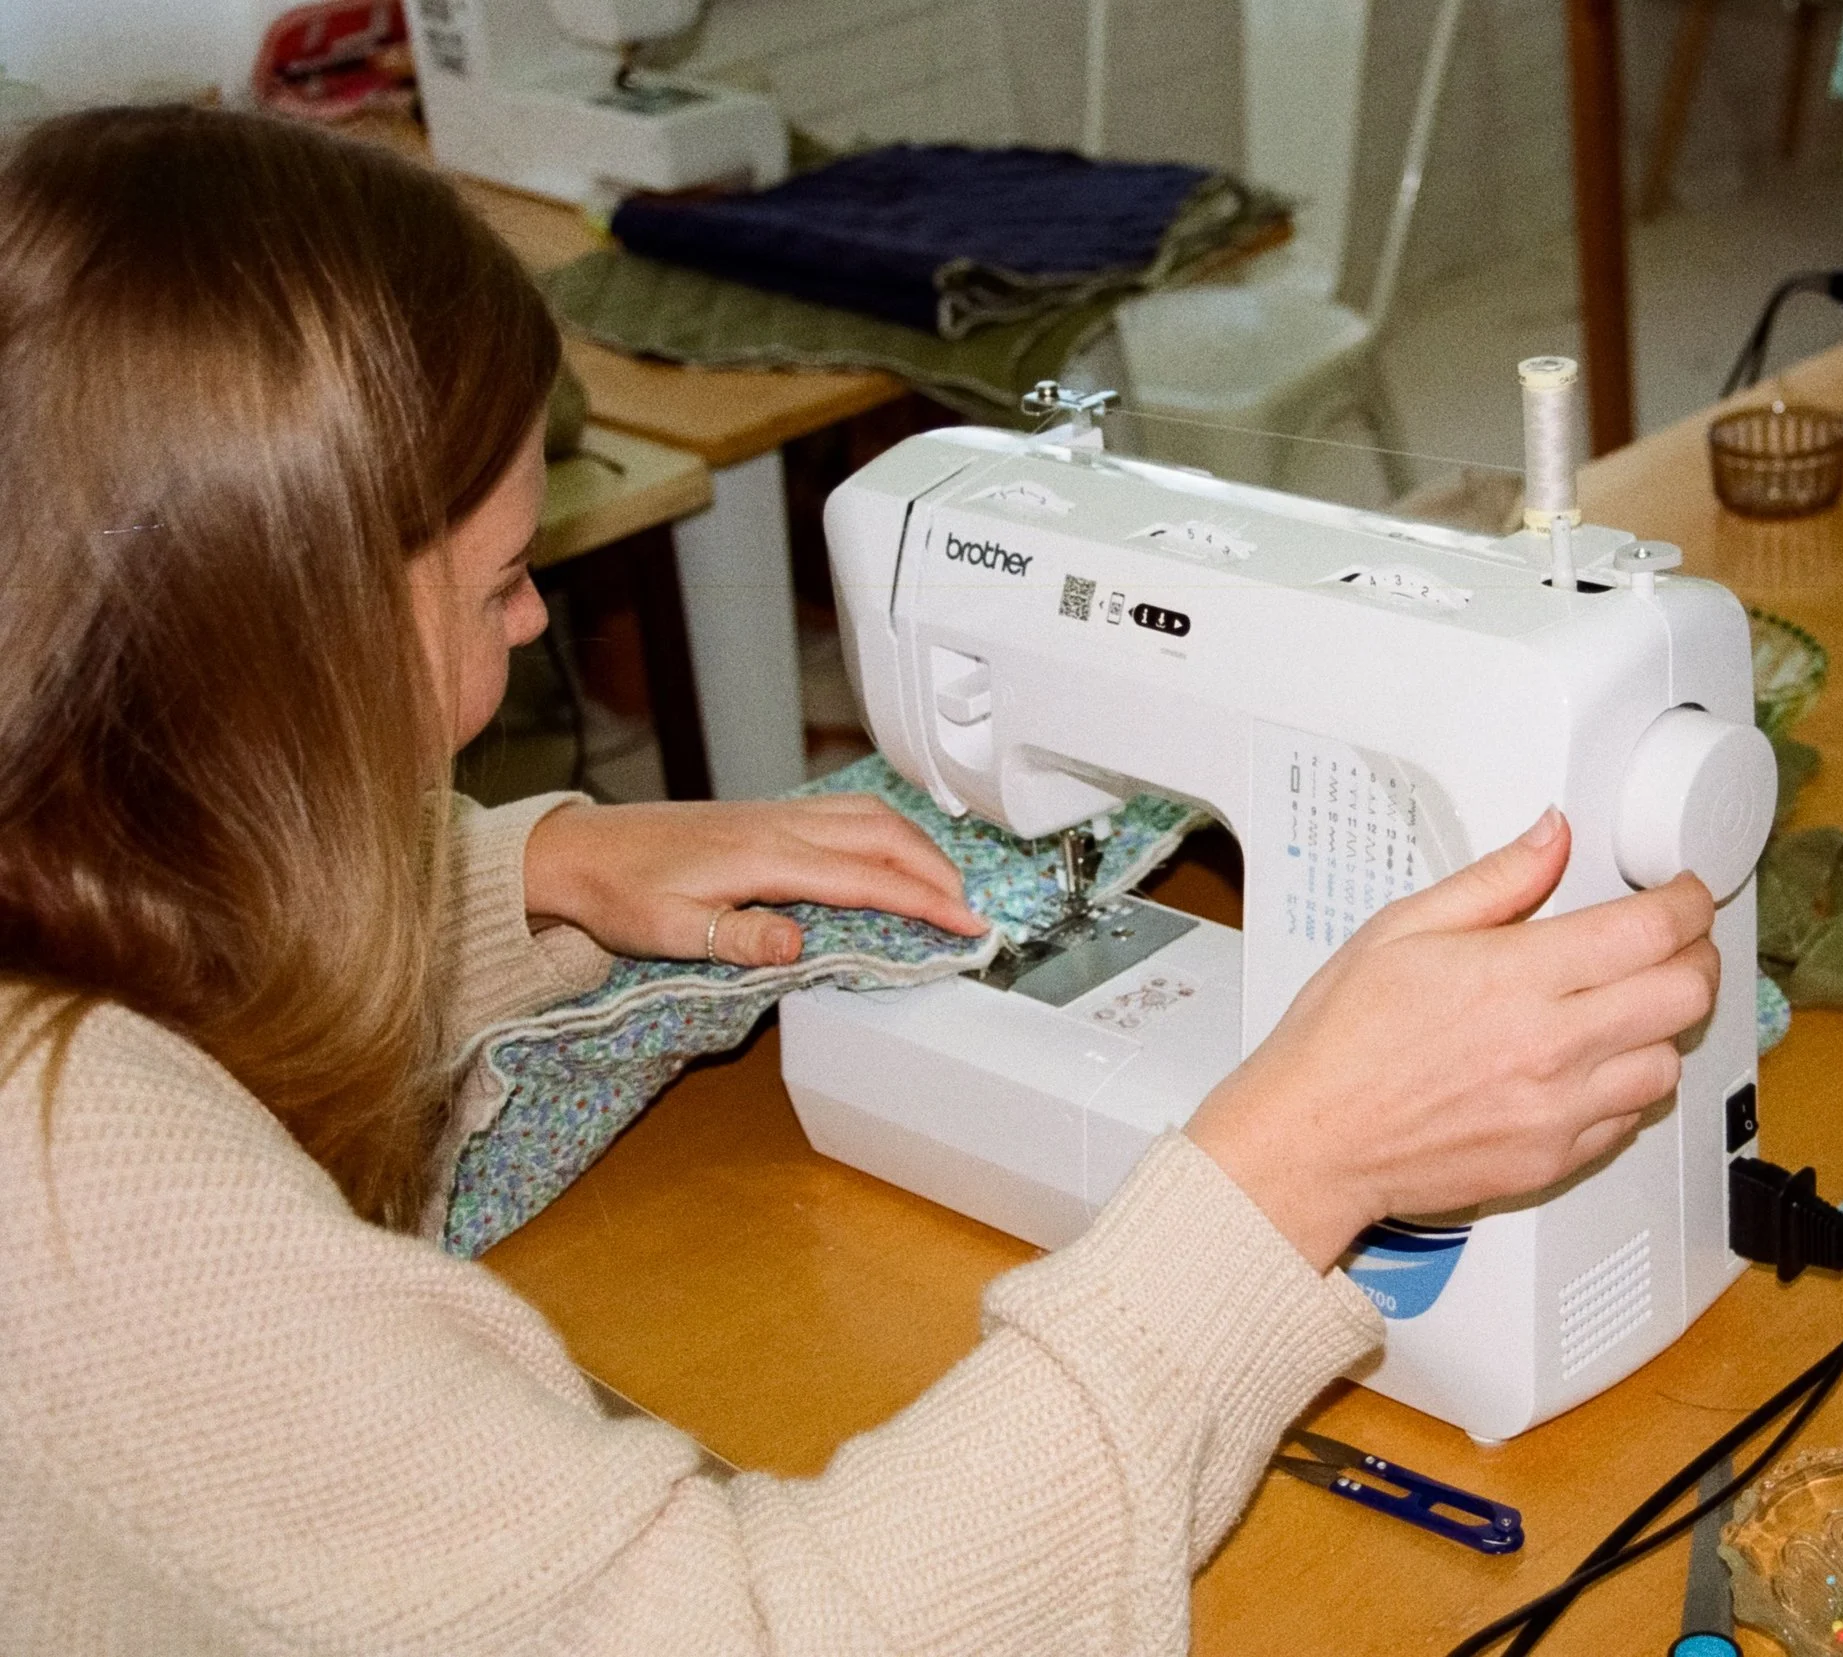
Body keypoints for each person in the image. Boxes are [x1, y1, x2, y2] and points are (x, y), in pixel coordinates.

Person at [0, 106, 1724, 1654]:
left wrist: (527, 870)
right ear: (275, 645)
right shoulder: (91, 1208)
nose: (531, 627)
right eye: (502, 581)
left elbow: (168, 926)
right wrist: (1292, 1171)